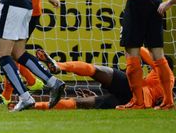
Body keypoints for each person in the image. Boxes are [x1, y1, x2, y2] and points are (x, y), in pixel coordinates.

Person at [32, 47, 173, 109]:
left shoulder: (165, 72)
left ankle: (60, 66)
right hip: (132, 99)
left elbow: (142, 51)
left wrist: (130, 36)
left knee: (94, 69)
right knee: (79, 103)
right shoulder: (168, 85)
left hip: (134, 90)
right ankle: (34, 107)